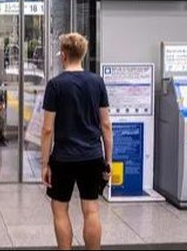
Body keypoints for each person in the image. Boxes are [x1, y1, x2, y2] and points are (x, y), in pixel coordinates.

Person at [41, 33, 113, 251]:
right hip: (92, 156)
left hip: (63, 158)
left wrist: (45, 164)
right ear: (82, 54)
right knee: (91, 209)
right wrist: (107, 161)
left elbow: (47, 129)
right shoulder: (97, 82)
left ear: (63, 55)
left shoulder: (55, 85)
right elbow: (106, 125)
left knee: (60, 209)